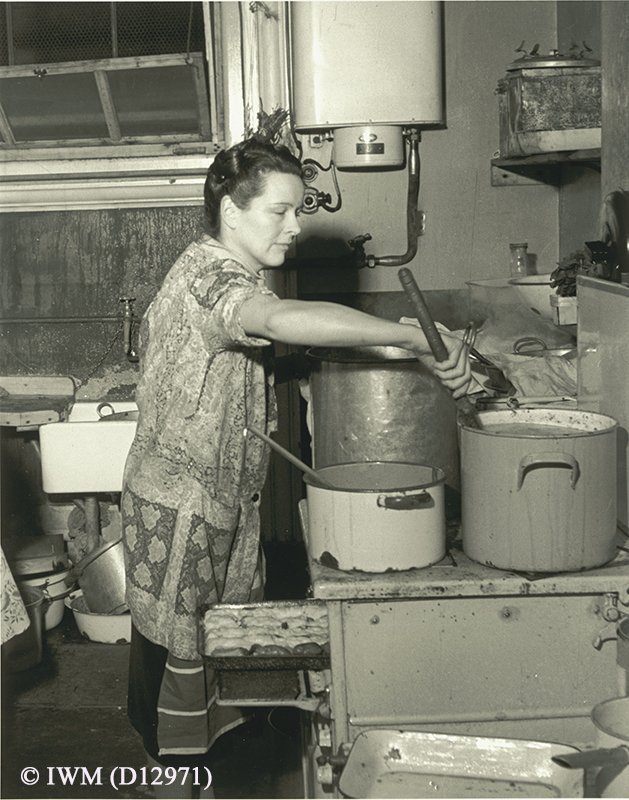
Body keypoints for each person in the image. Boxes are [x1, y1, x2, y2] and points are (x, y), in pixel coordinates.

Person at [121, 136, 471, 798]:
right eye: (280, 211)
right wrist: (406, 332)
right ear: (230, 210)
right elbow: (278, 319)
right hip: (181, 520)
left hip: (218, 510)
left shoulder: (234, 274)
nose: (298, 225)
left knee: (216, 679)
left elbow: (266, 354)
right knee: (177, 693)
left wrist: (406, 355)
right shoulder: (211, 279)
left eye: (299, 209)